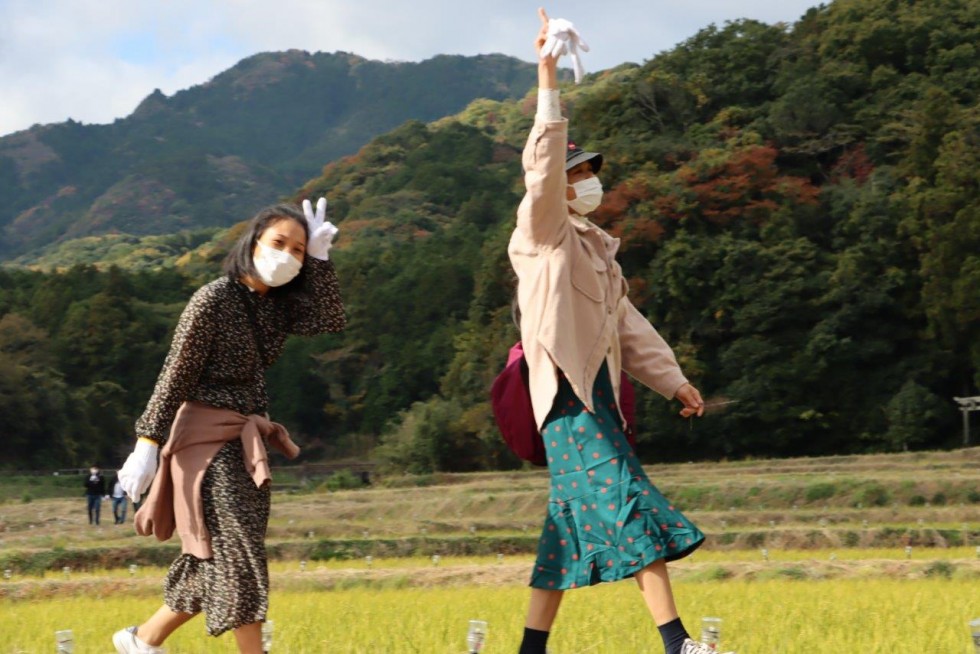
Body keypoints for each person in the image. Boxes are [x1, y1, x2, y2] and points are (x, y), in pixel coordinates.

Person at [508, 10, 725, 654]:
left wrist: (674, 381)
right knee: (629, 502)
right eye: (577, 174)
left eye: (587, 172)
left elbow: (631, 328)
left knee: (565, 529)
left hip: (597, 401)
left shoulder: (598, 250)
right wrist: (547, 77)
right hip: (568, 402)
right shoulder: (541, 235)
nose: (585, 181)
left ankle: (529, 649)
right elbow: (541, 171)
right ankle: (678, 643)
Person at [112, 199, 345, 654]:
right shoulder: (213, 298)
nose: (288, 256)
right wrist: (146, 442)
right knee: (239, 549)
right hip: (204, 440)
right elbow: (175, 373)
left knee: (222, 552)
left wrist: (319, 263)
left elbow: (329, 319)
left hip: (244, 439)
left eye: (297, 250)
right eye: (280, 243)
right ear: (253, 241)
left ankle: (142, 640)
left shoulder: (274, 307)